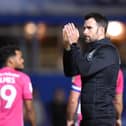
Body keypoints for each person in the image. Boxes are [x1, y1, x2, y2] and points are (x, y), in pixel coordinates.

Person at [62, 12, 120, 126]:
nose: (84, 32)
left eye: (89, 28)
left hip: (102, 119)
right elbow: (71, 71)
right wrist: (67, 47)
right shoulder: (92, 51)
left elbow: (84, 69)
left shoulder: (108, 51)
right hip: (88, 119)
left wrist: (74, 44)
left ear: (101, 30)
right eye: (84, 28)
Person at [0, 45, 36, 126]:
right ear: (10, 61)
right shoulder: (23, 78)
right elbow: (29, 109)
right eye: (20, 58)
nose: (23, 60)